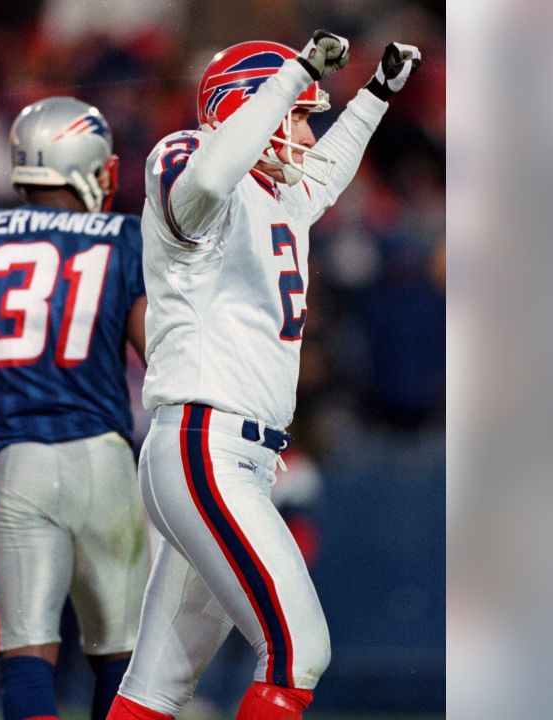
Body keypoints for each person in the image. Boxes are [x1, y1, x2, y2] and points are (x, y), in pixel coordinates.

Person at [106, 31, 422, 720]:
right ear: (250, 108)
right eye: (301, 114)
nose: (309, 133)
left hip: (232, 453)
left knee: (155, 690)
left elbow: (328, 172)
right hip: (203, 442)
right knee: (297, 650)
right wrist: (293, 73)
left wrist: (376, 96)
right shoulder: (189, 160)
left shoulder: (277, 198)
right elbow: (213, 178)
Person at [0, 96, 150, 720]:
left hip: (18, 464)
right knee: (123, 659)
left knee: (27, 656)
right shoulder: (126, 238)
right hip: (107, 461)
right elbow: (161, 360)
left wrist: (2, 385)